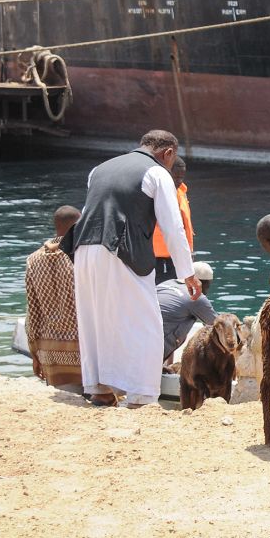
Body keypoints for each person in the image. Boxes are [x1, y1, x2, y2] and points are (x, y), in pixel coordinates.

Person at [67, 130, 200, 408]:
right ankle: (141, 397)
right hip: (121, 251)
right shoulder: (156, 173)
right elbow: (172, 227)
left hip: (83, 248)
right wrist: (187, 272)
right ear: (168, 154)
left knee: (96, 321)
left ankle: (99, 390)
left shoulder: (98, 170)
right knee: (147, 325)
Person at [24, 205, 83, 393]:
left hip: (50, 352)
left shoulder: (33, 259)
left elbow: (32, 311)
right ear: (79, 225)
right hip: (82, 348)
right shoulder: (81, 256)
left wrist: (35, 354)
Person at [158, 260, 217, 362]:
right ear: (202, 283)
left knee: (176, 321)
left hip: (131, 335)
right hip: (152, 347)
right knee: (186, 325)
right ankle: (158, 364)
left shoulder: (166, 283)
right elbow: (218, 324)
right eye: (208, 285)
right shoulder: (196, 297)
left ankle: (164, 365)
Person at [152, 155, 194, 285]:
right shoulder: (156, 193)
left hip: (178, 255)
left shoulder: (181, 191)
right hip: (158, 257)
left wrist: (189, 255)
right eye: (176, 177)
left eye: (182, 177)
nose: (180, 181)